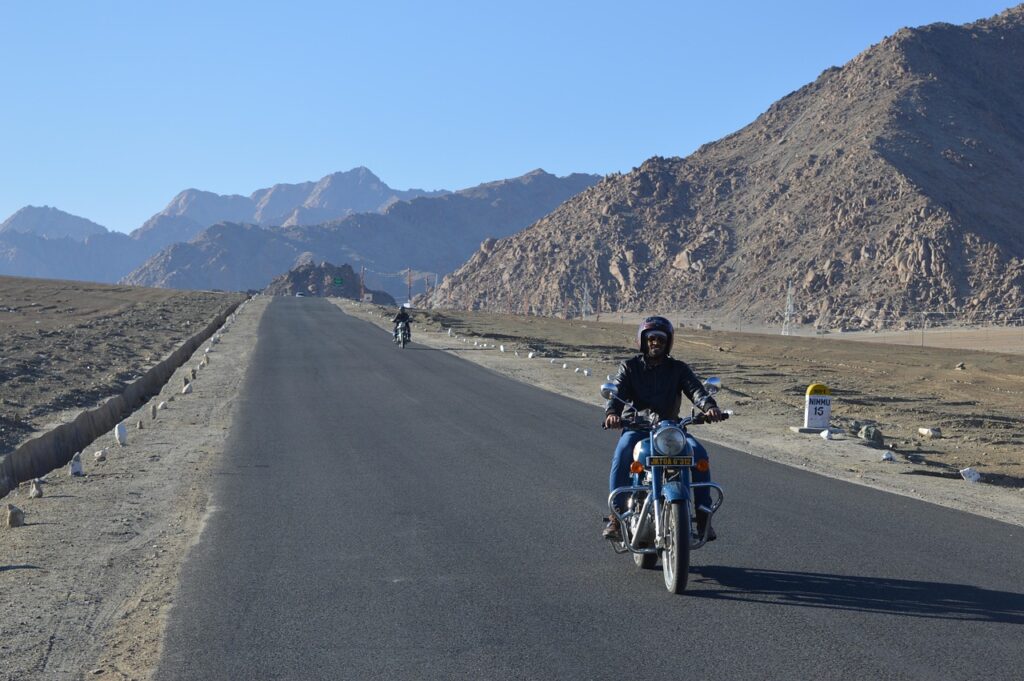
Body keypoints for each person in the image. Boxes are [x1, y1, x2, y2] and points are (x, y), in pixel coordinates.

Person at [602, 316, 726, 542]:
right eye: (651, 338)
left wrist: (710, 407)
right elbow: (617, 393)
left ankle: (703, 517)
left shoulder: (678, 369)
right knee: (622, 453)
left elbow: (696, 390)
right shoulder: (629, 367)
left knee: (699, 454)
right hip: (637, 426)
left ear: (668, 342)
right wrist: (612, 413)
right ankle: (616, 517)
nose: (655, 343)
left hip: (670, 428)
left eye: (660, 339)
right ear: (643, 341)